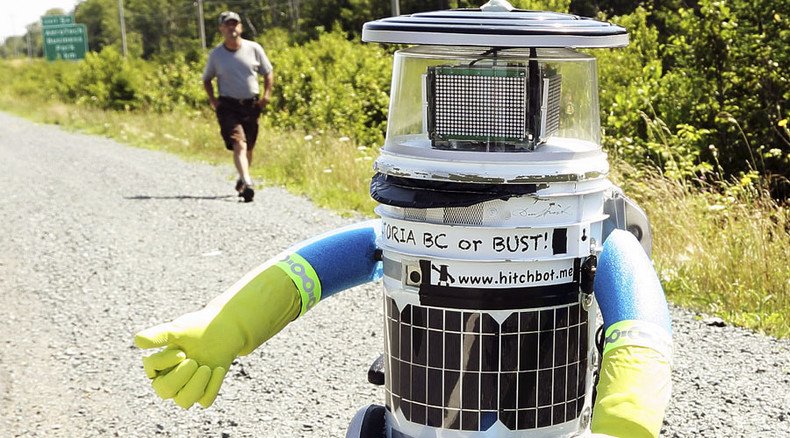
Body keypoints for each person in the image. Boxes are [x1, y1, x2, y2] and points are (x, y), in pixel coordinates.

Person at [202, 11, 274, 203]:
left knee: (248, 147)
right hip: (228, 105)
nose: (231, 28)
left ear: (240, 27)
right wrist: (213, 101)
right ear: (221, 29)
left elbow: (268, 72)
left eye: (235, 24)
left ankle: (243, 177)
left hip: (251, 105)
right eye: (227, 25)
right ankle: (248, 183)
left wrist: (266, 95)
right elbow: (207, 79)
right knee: (239, 144)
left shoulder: (254, 48)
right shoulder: (216, 55)